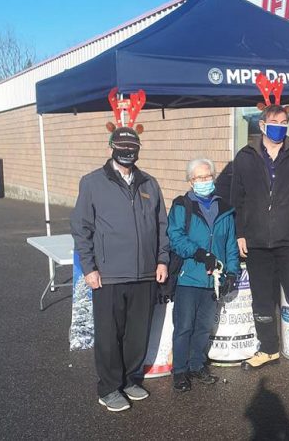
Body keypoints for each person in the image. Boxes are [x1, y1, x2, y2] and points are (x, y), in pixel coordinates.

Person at [71, 126, 169, 412]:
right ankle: (109, 387)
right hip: (109, 274)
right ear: (112, 147)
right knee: (109, 334)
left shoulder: (150, 183)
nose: (128, 152)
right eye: (122, 147)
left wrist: (161, 259)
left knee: (137, 333)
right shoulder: (92, 183)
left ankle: (130, 379)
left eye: (133, 148)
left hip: (145, 273)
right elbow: (81, 228)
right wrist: (89, 267)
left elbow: (162, 226)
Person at [231, 103, 289, 382]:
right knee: (262, 299)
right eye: (274, 121)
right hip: (257, 241)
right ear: (261, 125)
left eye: (284, 121)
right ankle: (268, 348)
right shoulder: (245, 157)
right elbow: (237, 199)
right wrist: (240, 233)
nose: (280, 125)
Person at [167, 158, 240, 392]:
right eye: (199, 178)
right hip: (188, 277)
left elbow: (229, 243)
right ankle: (179, 370)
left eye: (208, 177)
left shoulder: (225, 208)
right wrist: (200, 254)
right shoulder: (181, 205)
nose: (204, 181)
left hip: (213, 280)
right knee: (184, 326)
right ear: (191, 181)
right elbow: (175, 237)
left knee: (203, 326)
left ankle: (197, 365)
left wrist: (231, 272)